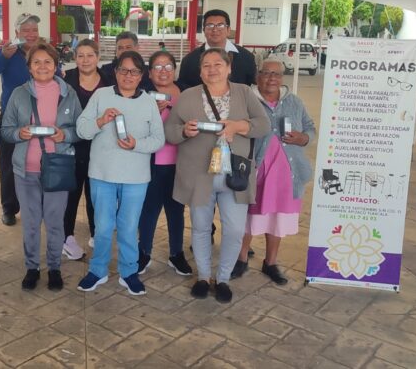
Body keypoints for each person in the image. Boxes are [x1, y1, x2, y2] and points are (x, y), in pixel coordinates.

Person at [164, 48, 270, 303]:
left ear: (229, 67)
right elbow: (170, 131)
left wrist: (238, 126)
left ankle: (222, 279)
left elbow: (264, 125)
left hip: (235, 175)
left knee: (234, 230)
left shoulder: (244, 93)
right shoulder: (189, 96)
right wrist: (184, 131)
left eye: (218, 64)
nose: (212, 69)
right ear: (200, 71)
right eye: (206, 65)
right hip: (199, 175)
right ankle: (203, 276)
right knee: (201, 228)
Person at [76, 51, 165, 296]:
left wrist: (137, 144)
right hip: (102, 174)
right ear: (115, 72)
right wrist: (100, 121)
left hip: (136, 177)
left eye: (134, 71)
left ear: (141, 75)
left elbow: (158, 139)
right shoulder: (101, 95)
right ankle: (98, 270)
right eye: (123, 70)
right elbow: (82, 129)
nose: (128, 76)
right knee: (103, 226)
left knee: (128, 227)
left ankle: (129, 271)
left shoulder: (148, 102)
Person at [1, 43, 82, 291]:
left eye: (48, 61)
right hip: (26, 170)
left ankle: (55, 268)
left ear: (56, 65)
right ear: (29, 67)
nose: (42, 66)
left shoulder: (68, 93)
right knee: (31, 222)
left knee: (55, 222)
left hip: (57, 168)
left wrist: (64, 135)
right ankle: (32, 267)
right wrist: (19, 133)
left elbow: (80, 129)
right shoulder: (19, 94)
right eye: (36, 62)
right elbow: (5, 130)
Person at [231, 58, 315, 285]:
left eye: (276, 74)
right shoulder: (247, 100)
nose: (272, 78)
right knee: (248, 214)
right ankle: (241, 258)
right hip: (255, 170)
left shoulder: (294, 101)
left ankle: (270, 262)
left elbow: (310, 127)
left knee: (278, 217)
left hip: (287, 172)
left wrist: (303, 138)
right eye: (266, 73)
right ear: (257, 76)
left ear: (282, 78)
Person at [0, 13, 41, 226]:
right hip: (11, 119)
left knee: (37, 163)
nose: (31, 34)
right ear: (17, 32)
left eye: (34, 30)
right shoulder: (8, 51)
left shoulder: (43, 52)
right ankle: (9, 208)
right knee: (8, 166)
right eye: (26, 30)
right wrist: (2, 57)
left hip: (40, 117)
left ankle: (34, 206)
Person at [137, 51, 192, 276]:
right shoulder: (141, 95)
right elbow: (135, 128)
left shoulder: (187, 94)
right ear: (149, 73)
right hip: (152, 163)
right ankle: (144, 252)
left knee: (176, 210)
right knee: (149, 210)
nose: (163, 71)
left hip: (180, 163)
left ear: (174, 70)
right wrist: (150, 112)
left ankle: (176, 253)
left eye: (168, 66)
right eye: (157, 67)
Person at [63, 39, 106, 258]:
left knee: (96, 194)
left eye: (90, 55)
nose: (85, 60)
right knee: (71, 193)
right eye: (80, 55)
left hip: (101, 147)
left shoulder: (109, 81)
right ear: (75, 58)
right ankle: (67, 237)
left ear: (98, 57)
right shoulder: (66, 79)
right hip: (72, 146)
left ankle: (96, 233)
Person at [178, 9, 257, 89]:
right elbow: (183, 88)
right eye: (210, 25)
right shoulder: (190, 60)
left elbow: (253, 87)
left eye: (220, 25)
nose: (215, 30)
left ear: (228, 30)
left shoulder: (246, 57)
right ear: (204, 30)